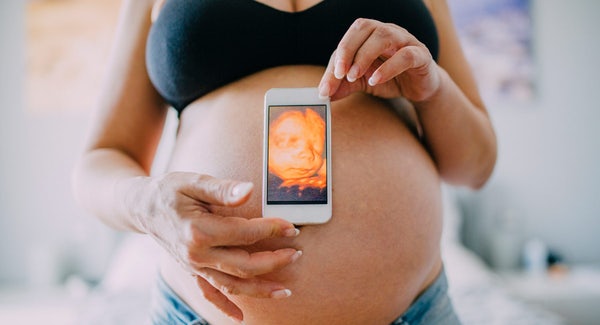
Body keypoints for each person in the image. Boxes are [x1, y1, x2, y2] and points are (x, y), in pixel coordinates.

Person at [72, 0, 497, 324]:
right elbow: (100, 161)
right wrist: (146, 204)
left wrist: (433, 88)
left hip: (413, 311)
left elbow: (475, 167)